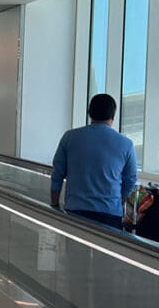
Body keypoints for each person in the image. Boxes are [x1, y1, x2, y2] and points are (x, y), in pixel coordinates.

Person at [50, 93, 138, 229]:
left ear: (89, 112)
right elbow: (131, 180)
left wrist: (54, 205)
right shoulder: (126, 144)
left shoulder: (70, 137)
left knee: (75, 249)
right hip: (110, 213)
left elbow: (57, 173)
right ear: (113, 115)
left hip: (75, 209)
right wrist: (117, 202)